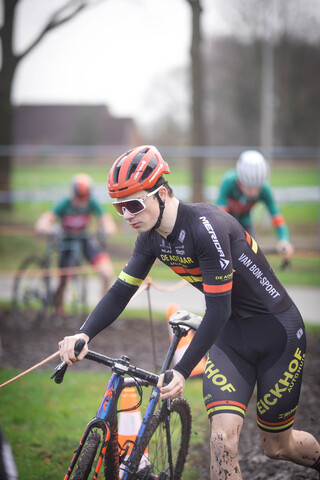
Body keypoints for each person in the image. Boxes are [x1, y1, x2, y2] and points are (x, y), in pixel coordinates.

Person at [58, 146, 320, 480]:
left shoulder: (205, 227)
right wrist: (84, 333)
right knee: (222, 440)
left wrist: (181, 370)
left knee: (278, 447)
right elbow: (122, 290)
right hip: (231, 338)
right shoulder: (150, 237)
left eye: (134, 204)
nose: (126, 215)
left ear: (162, 193)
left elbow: (219, 308)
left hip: (277, 334)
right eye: (119, 206)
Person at [35, 173, 116, 314]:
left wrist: (107, 229)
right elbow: (44, 221)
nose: (81, 201)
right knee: (63, 280)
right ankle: (58, 308)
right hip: (66, 242)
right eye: (79, 197)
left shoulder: (92, 203)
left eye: (85, 197)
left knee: (106, 272)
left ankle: (104, 311)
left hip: (84, 240)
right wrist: (47, 228)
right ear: (73, 194)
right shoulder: (64, 203)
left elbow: (107, 220)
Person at [216, 150, 294, 262]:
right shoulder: (228, 181)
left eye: (257, 188)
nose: (253, 193)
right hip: (226, 220)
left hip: (246, 222)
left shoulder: (265, 189)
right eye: (249, 187)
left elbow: (277, 217)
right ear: (240, 182)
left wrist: (284, 240)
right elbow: (220, 216)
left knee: (254, 259)